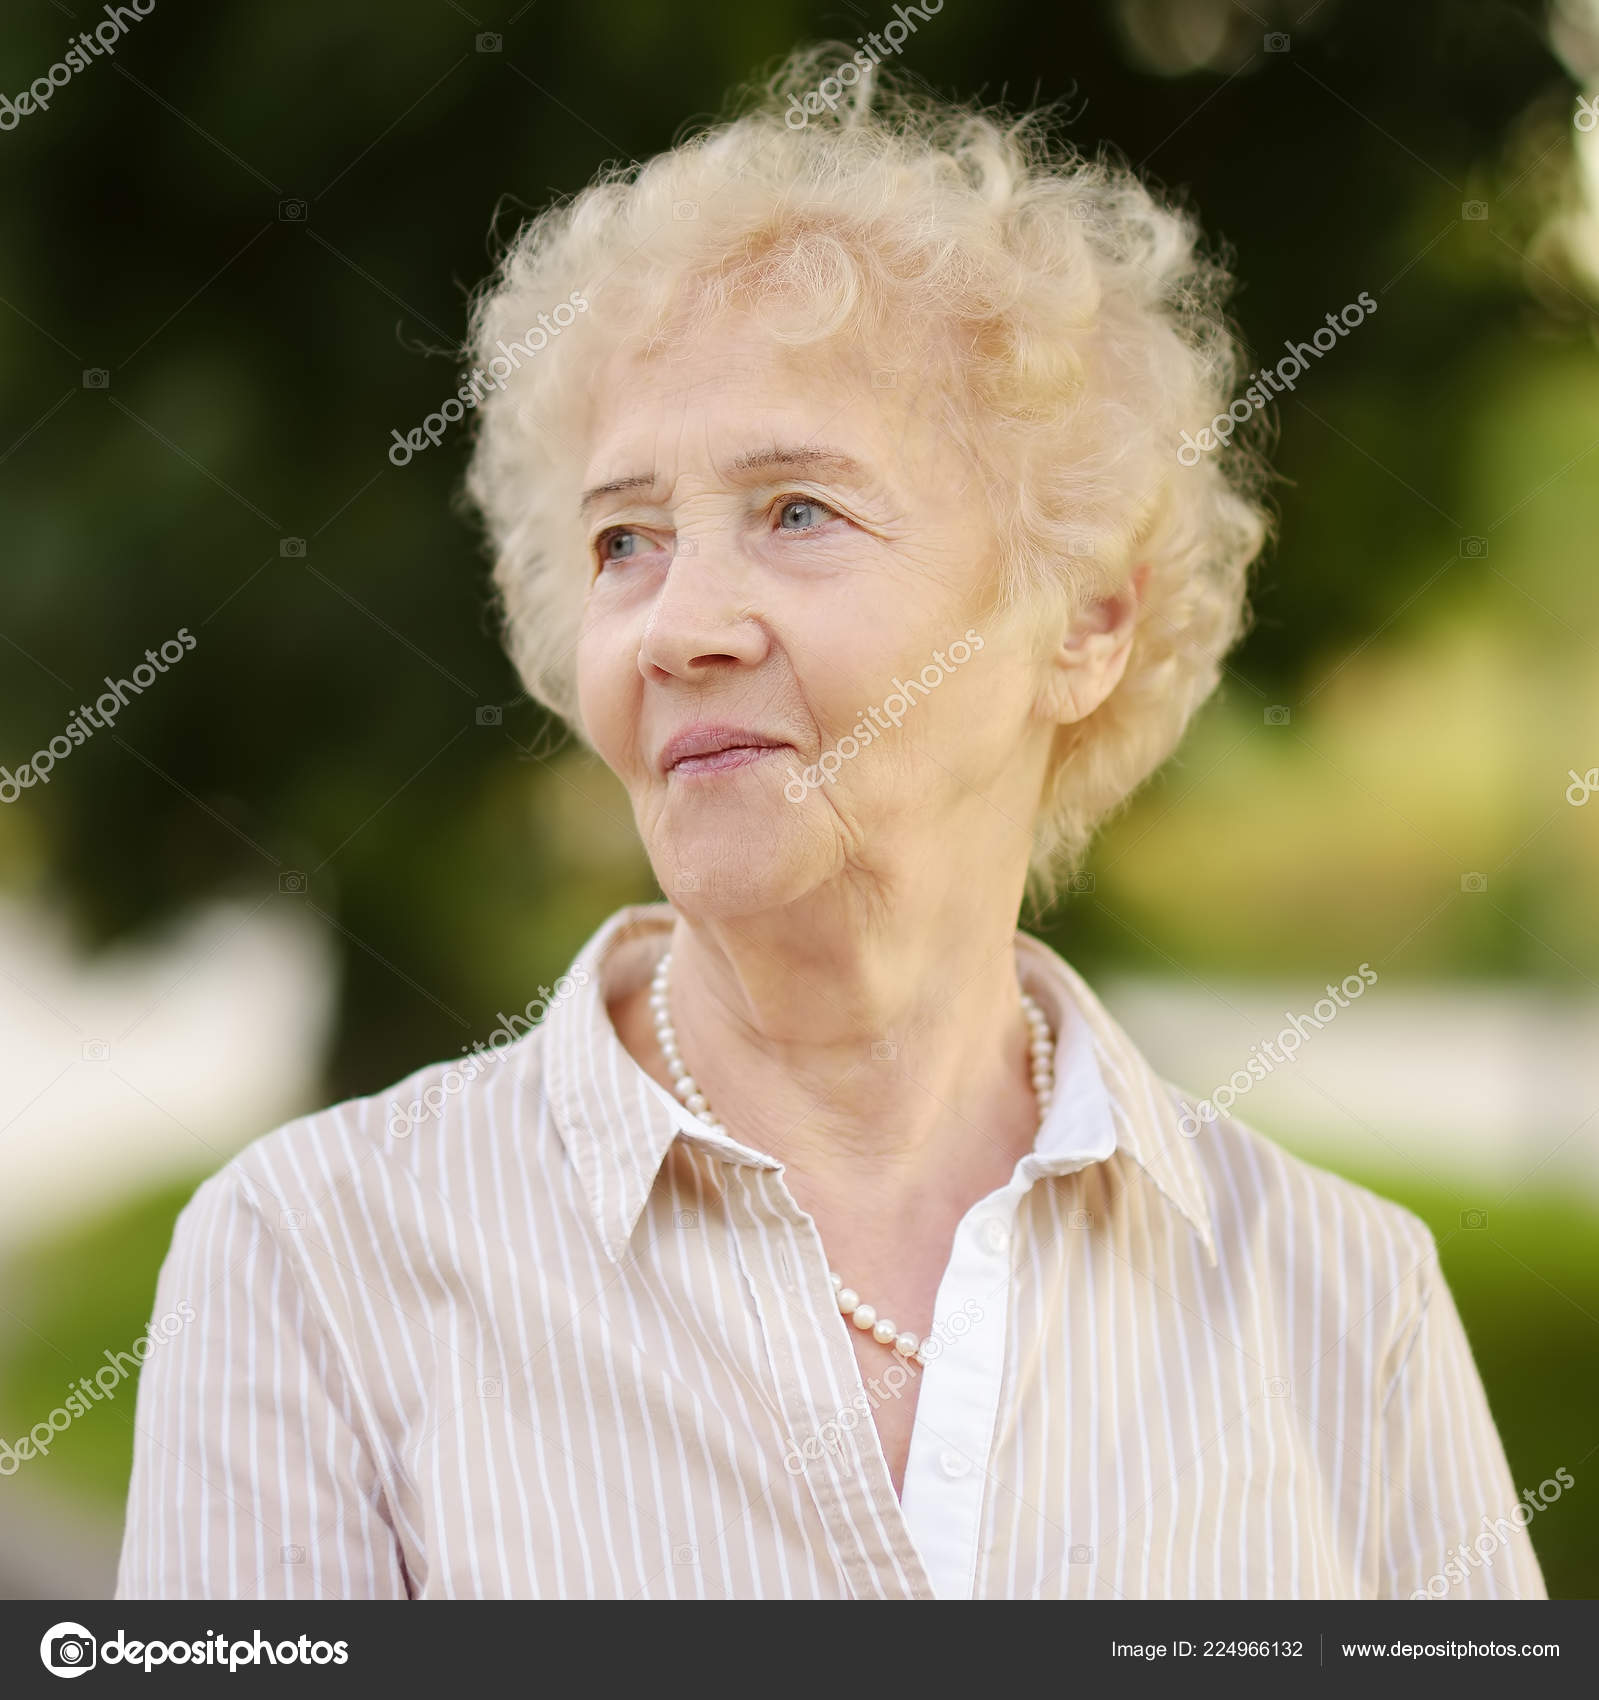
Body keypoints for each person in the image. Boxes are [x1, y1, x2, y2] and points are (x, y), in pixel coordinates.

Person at [115, 48, 1544, 1601]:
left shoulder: (1345, 1298)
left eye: (798, 511)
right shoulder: (314, 1261)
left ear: (1087, 622)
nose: (681, 625)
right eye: (625, 541)